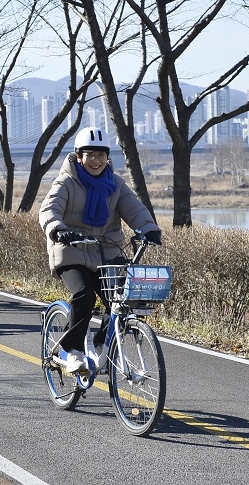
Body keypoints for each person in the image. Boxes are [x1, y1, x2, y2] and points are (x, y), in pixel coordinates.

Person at [38, 127, 162, 373]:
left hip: (106, 251)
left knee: (119, 301)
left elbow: (133, 208)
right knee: (84, 294)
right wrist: (58, 229)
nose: (95, 161)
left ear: (107, 157)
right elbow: (49, 209)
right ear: (79, 156)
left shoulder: (115, 184)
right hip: (71, 249)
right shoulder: (66, 181)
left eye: (101, 155)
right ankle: (70, 350)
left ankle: (101, 346)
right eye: (89, 155)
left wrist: (149, 228)